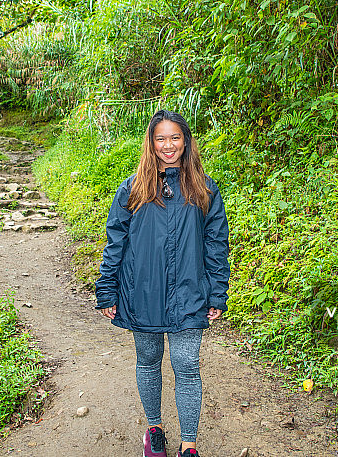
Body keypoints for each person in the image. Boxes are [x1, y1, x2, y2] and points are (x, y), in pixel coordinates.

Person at [95, 109, 230, 457]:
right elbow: (116, 243)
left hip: (189, 292)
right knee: (148, 360)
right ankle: (154, 430)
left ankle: (189, 445)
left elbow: (216, 244)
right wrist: (107, 289)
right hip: (143, 292)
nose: (168, 145)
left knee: (186, 364)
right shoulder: (133, 188)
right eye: (160, 138)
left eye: (175, 137)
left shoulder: (204, 189)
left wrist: (217, 291)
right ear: (151, 143)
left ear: (186, 141)